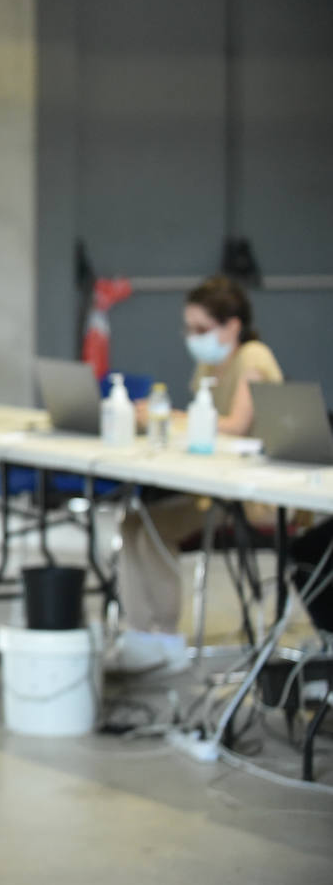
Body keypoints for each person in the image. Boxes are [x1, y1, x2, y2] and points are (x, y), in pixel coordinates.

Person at [109, 275, 284, 674]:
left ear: (232, 325)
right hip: (211, 485)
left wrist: (168, 418)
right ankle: (138, 635)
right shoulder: (210, 363)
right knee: (133, 525)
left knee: (155, 530)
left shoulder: (253, 358)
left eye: (202, 329)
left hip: (250, 495)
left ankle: (167, 639)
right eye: (188, 328)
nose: (193, 337)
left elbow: (236, 424)